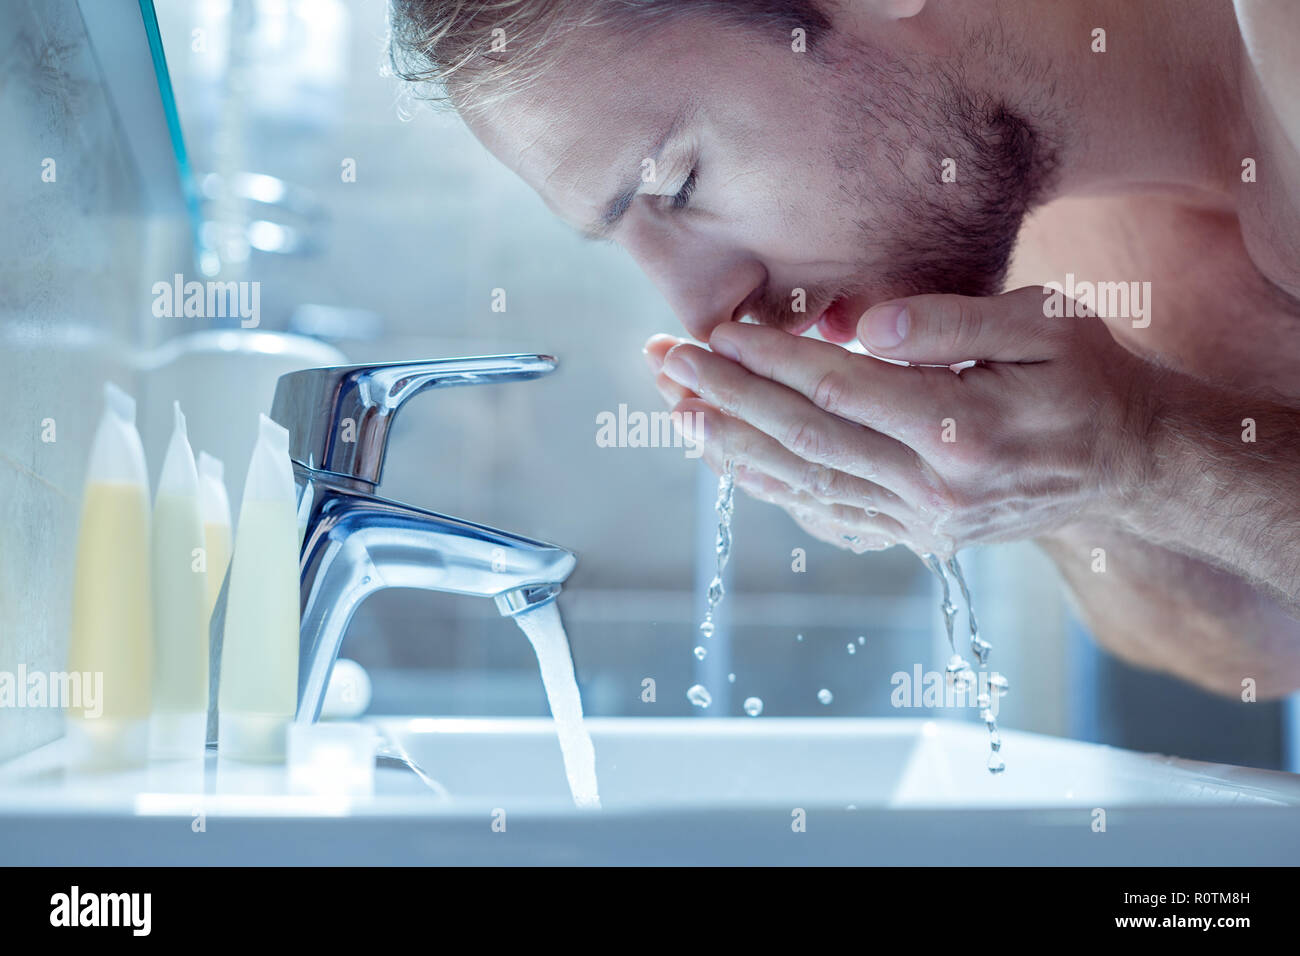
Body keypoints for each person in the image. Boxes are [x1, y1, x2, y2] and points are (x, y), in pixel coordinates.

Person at [386, 0, 1300, 697]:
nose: (708, 315)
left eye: (678, 182)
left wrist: (1144, 453)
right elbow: (1263, 646)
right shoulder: (1054, 241)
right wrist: (1025, 477)